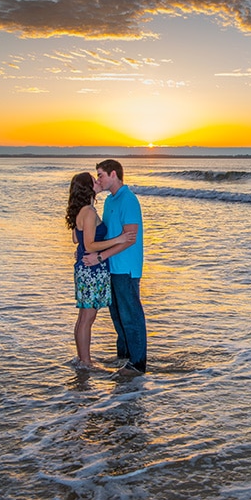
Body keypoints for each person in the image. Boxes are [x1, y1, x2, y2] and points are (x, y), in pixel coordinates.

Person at [82, 159, 147, 377]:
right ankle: (125, 357)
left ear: (113, 174)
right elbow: (106, 234)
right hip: (111, 266)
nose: (98, 179)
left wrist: (100, 256)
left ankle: (138, 364)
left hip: (126, 267)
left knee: (131, 315)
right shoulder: (110, 201)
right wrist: (96, 191)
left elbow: (129, 239)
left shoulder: (128, 200)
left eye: (100, 175)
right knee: (117, 316)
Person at [66, 172, 136, 369]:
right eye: (94, 181)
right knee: (88, 317)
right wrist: (118, 239)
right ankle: (85, 361)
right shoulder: (88, 211)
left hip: (86, 267)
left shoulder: (81, 210)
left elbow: (76, 239)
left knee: (84, 317)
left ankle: (82, 359)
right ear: (88, 188)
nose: (98, 182)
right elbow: (89, 245)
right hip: (91, 269)